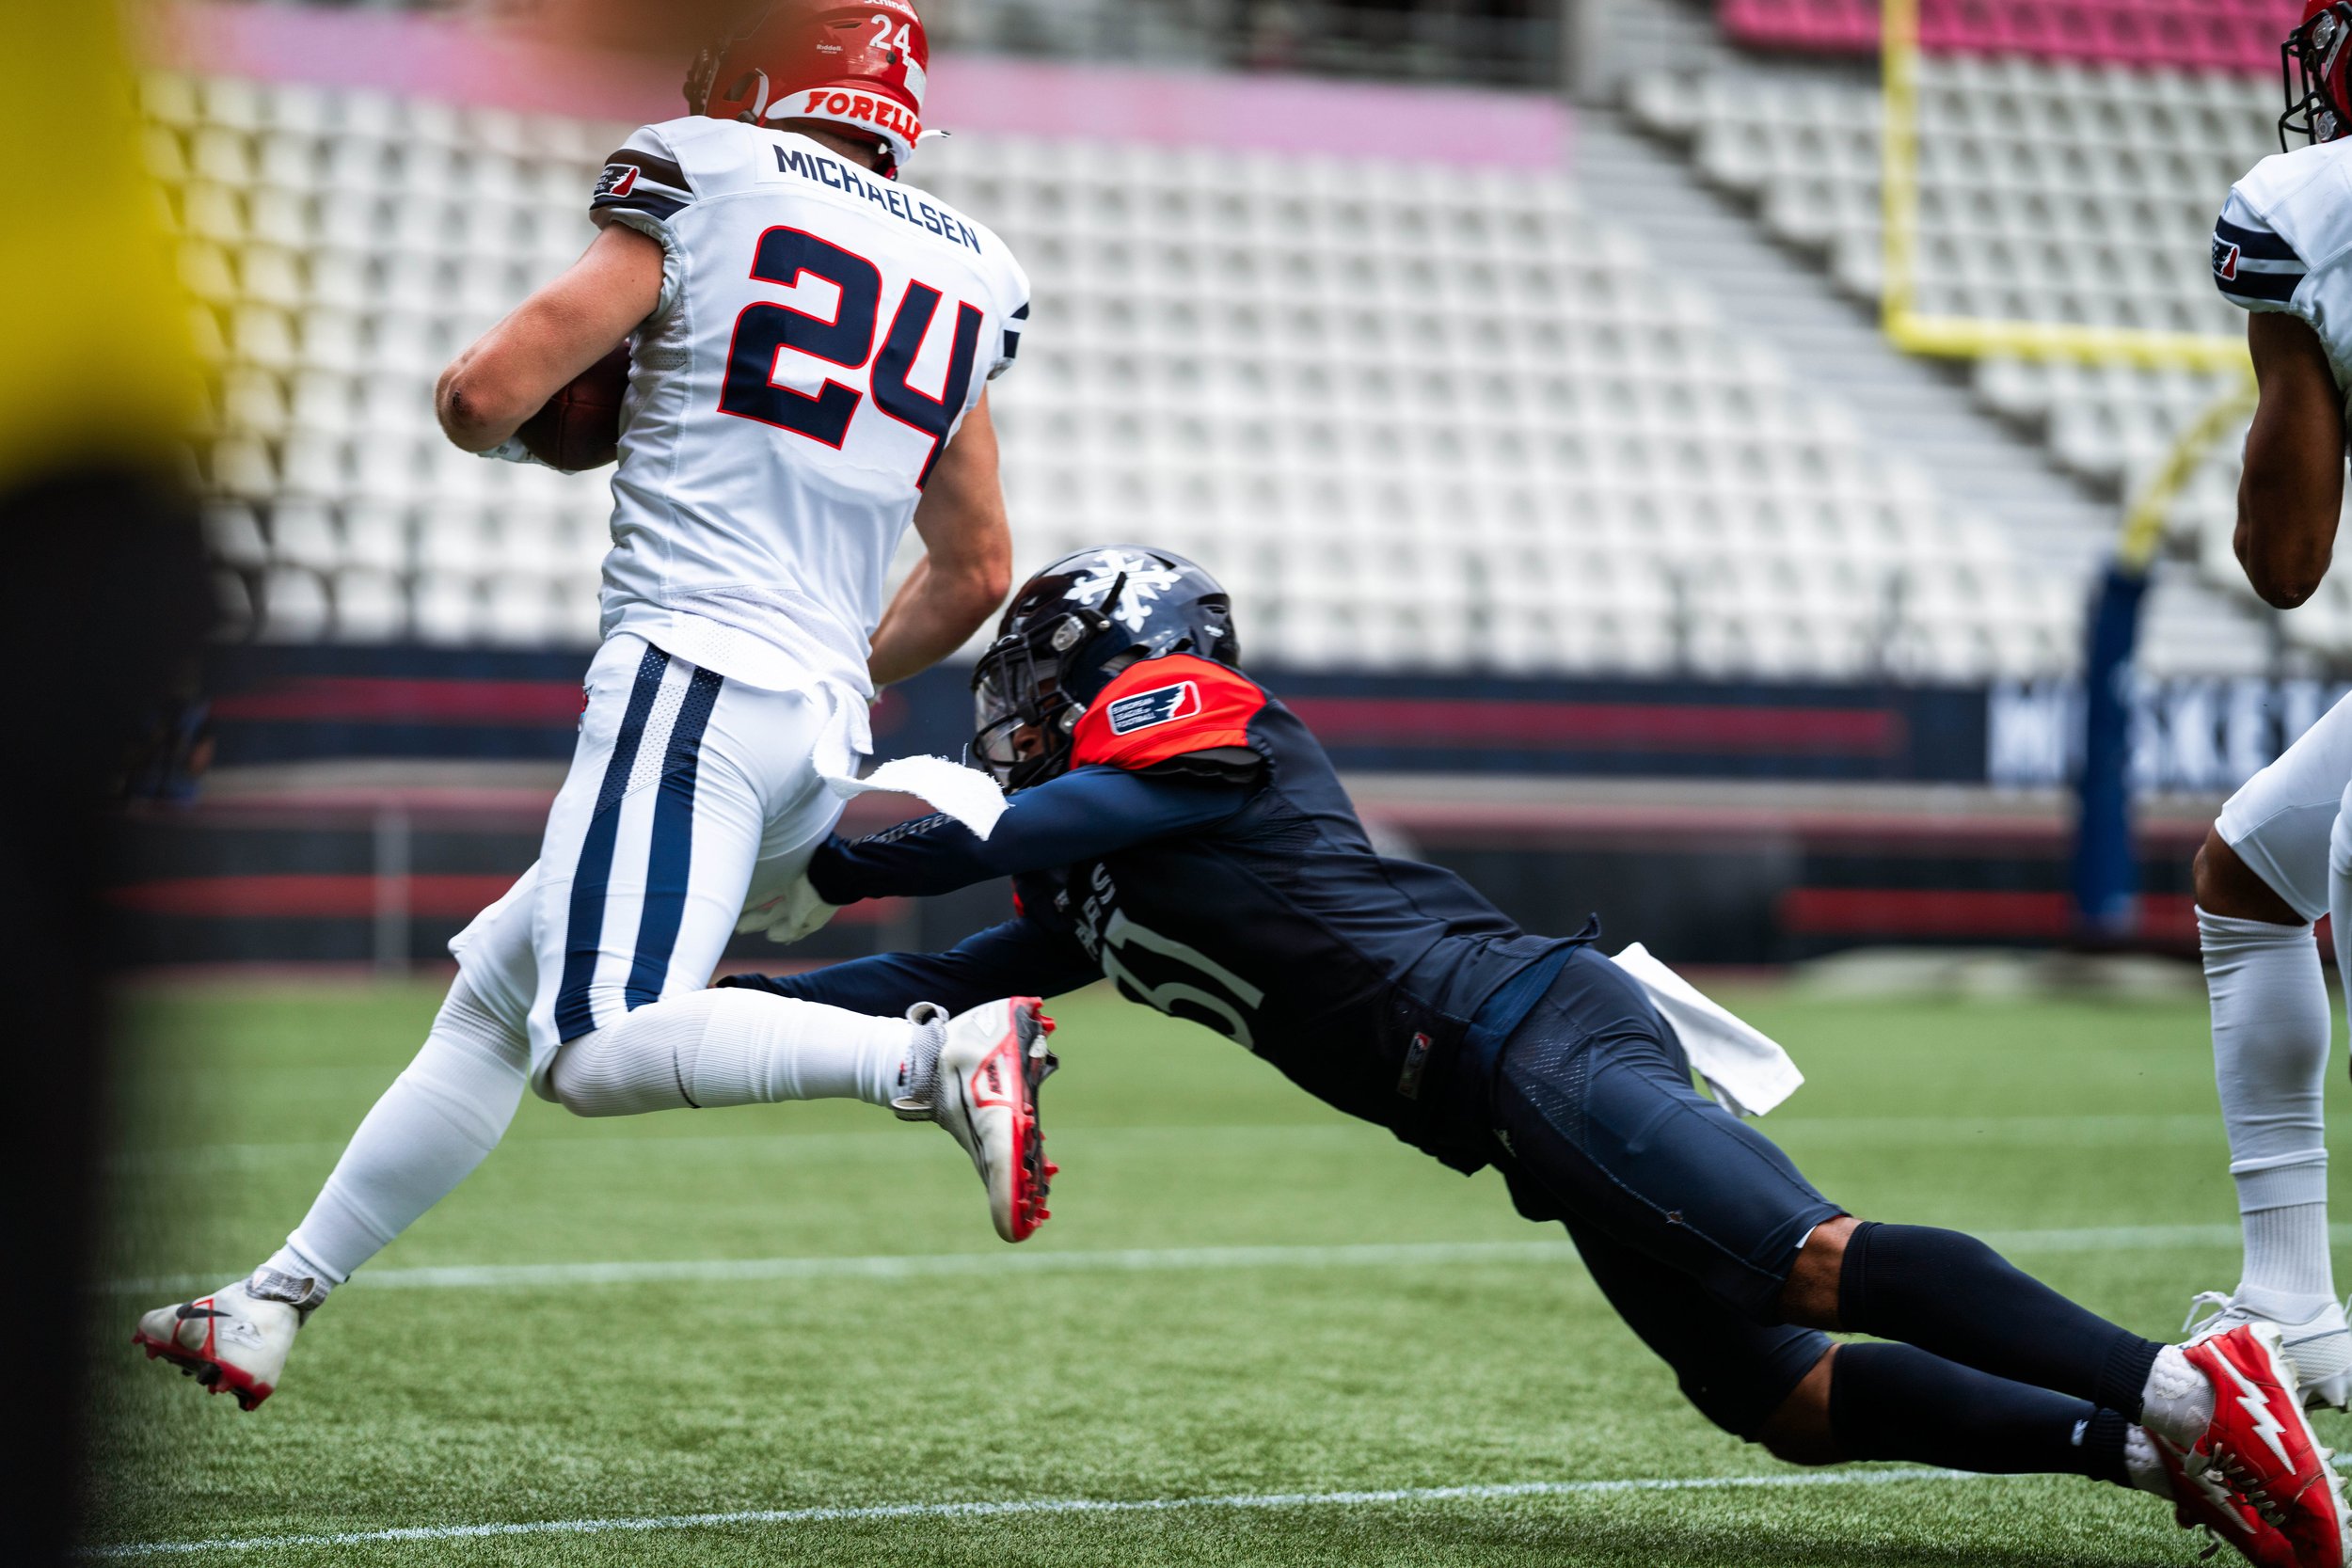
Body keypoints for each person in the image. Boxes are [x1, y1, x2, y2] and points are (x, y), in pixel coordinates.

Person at [728, 546, 2352, 1568]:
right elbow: (941, 973)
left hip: (1522, 1032)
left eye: (1031, 682)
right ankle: (2147, 1452)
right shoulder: (1088, 880)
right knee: (1769, 1392)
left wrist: (845, 842)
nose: (1015, 712)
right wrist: (718, 1005)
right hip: (1502, 1081)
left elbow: (1017, 823)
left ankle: (2186, 1388)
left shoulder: (1192, 722)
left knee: (1804, 1265)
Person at [133, 0, 1057, 1414]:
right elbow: (976, 568)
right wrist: (814, 677)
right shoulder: (971, 267)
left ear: (759, 72)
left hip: (695, 675)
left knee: (600, 1044)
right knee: (499, 998)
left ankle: (933, 1053)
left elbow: (485, 390)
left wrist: (527, 427)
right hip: (812, 723)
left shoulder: (708, 162)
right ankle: (269, 1298)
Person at [2176, 0, 2352, 1408]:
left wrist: (2295, 337)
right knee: (2256, 869)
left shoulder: (2310, 206)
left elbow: (2283, 563)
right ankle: (2293, 1303)